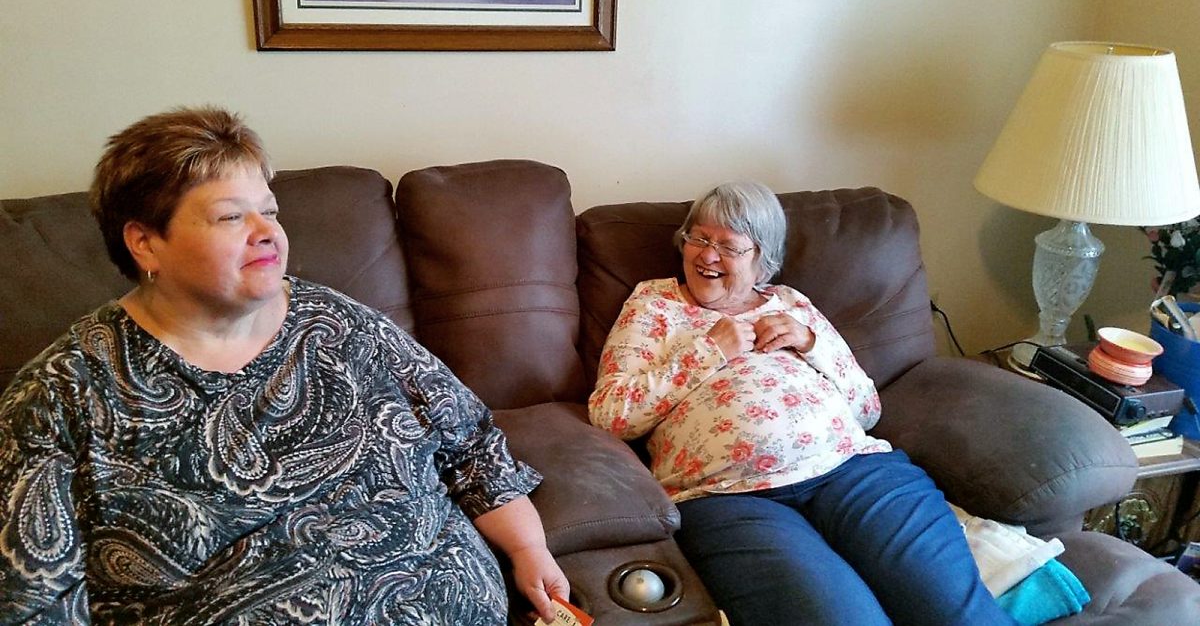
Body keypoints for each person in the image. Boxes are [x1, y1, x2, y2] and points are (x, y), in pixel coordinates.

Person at [0, 107, 568, 625]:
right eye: (230, 217)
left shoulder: (337, 322)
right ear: (145, 243)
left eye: (269, 211)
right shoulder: (57, 398)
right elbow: (34, 601)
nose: (267, 232)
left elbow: (471, 446)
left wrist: (529, 550)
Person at [588, 182, 1016, 625]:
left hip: (857, 473)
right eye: (699, 238)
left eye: (728, 246)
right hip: (731, 497)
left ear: (762, 259)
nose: (707, 255)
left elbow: (867, 408)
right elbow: (610, 414)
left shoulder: (792, 304)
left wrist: (812, 344)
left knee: (959, 613)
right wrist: (708, 352)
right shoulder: (655, 303)